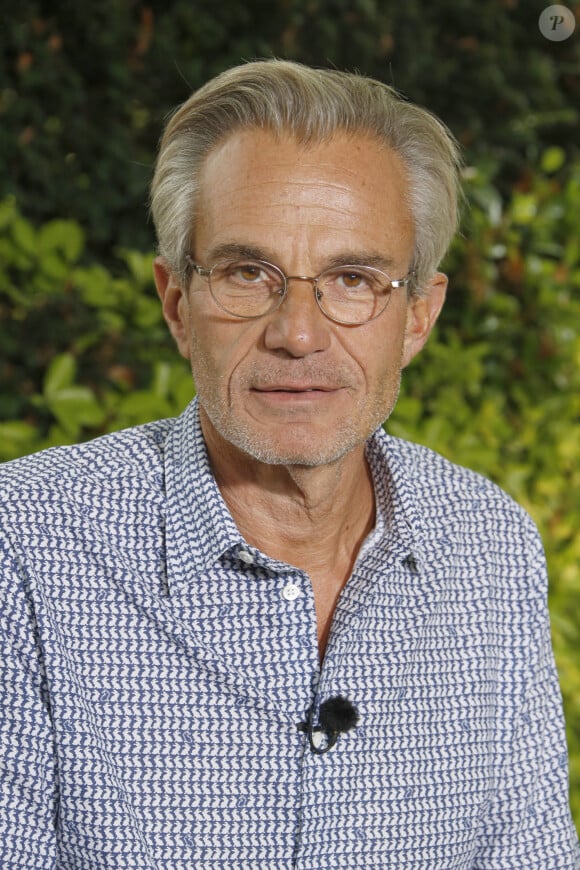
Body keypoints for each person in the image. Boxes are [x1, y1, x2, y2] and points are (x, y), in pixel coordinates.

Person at [0, 60, 578, 869]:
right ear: (176, 303)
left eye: (353, 279)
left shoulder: (492, 547)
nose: (297, 333)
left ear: (418, 317)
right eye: (247, 272)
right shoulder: (25, 547)